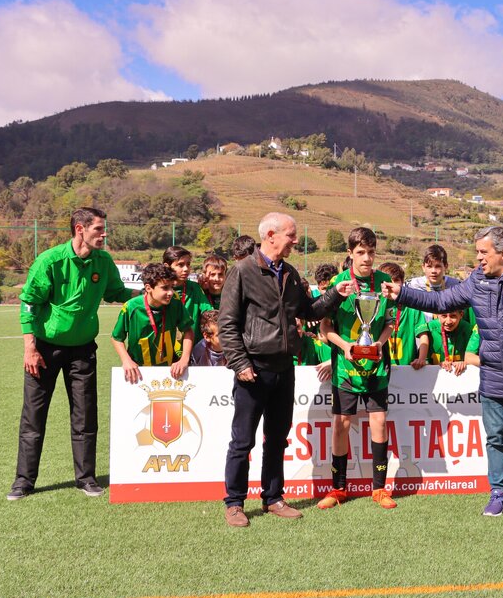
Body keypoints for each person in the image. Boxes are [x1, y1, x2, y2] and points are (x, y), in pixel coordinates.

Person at [381, 225, 503, 516]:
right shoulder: (476, 280)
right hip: (494, 373)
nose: (479, 258)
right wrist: (402, 293)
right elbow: (441, 300)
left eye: (484, 252)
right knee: (496, 436)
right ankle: (499, 493)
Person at [217, 212, 354, 528]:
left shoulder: (290, 274)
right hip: (252, 370)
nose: (296, 240)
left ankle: (273, 498)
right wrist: (240, 364)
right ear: (271, 235)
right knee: (242, 441)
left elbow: (308, 312)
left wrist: (335, 294)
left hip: (284, 369)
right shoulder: (241, 271)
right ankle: (235, 503)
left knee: (277, 438)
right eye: (291, 235)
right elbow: (227, 323)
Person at [8, 207, 133, 501]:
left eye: (104, 229)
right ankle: (24, 481)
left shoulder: (104, 261)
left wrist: (150, 292)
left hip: (83, 351)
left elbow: (117, 292)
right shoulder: (50, 261)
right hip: (43, 350)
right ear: (80, 229)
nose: (104, 234)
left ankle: (86, 478)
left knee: (85, 415)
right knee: (34, 417)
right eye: (99, 229)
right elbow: (29, 304)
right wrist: (30, 348)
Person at [318, 227, 398, 510]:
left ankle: (379, 489)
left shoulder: (385, 282)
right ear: (350, 253)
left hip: (376, 367)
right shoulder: (339, 283)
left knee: (379, 424)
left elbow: (390, 321)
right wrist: (345, 347)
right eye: (361, 252)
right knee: (341, 426)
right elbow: (325, 326)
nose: (367, 258)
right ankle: (338, 489)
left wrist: (379, 343)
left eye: (371, 252)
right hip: (345, 369)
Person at [110, 263, 194, 384]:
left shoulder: (175, 304)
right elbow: (117, 338)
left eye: (172, 287)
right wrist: (126, 360)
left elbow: (188, 331)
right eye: (165, 288)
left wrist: (184, 359)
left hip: (169, 371)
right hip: (139, 372)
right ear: (148, 288)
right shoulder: (131, 307)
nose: (170, 292)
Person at [378, 262, 429, 369]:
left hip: (408, 368)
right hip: (380, 367)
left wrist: (421, 358)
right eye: (388, 281)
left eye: (396, 280)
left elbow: (423, 336)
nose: (392, 284)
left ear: (402, 282)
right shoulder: (375, 306)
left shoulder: (412, 307)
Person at [163, 246, 214, 345]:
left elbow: (209, 312)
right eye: (180, 265)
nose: (186, 269)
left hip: (193, 348)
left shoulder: (194, 288)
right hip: (166, 350)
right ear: (167, 266)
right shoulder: (160, 290)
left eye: (188, 264)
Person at [423, 309, 473, 375]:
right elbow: (423, 363)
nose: (448, 321)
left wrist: (465, 363)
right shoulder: (428, 329)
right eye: (444, 316)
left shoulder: (469, 329)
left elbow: (474, 358)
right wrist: (438, 365)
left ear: (461, 315)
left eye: (453, 316)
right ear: (437, 314)